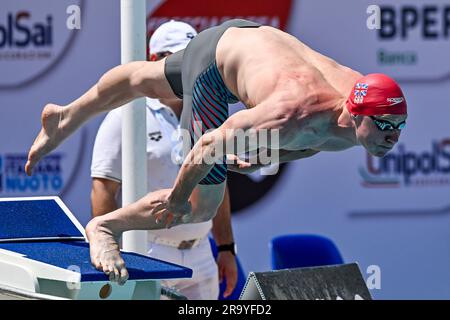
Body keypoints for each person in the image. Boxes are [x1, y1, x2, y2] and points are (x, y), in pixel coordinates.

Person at [24, 19, 408, 284]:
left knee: (146, 77)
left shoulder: (354, 116)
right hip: (214, 68)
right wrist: (177, 198)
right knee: (200, 204)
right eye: (386, 126)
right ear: (355, 112)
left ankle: (66, 115)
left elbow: (312, 144)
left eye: (399, 127)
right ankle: (105, 226)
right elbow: (208, 146)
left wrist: (272, 155)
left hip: (247, 37)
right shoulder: (292, 112)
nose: (392, 137)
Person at [90, 20, 237, 298]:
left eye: (193, 58)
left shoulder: (209, 111)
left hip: (202, 251)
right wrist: (111, 251)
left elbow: (219, 186)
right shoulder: (127, 115)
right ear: (154, 61)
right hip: (149, 249)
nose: (189, 68)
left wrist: (226, 248)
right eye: (179, 59)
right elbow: (103, 187)